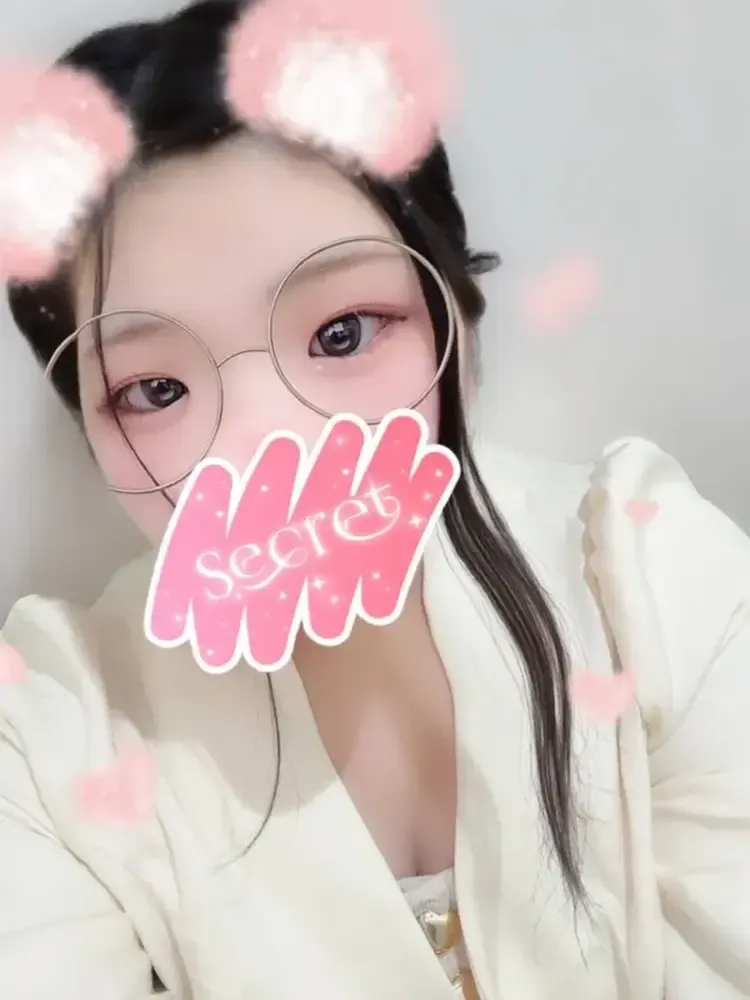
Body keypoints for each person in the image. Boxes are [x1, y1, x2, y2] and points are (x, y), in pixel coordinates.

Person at [2, 1, 749, 997]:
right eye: (157, 390)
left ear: (457, 321)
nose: (268, 440)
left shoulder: (649, 575)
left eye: (344, 332)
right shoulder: (51, 734)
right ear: (90, 427)